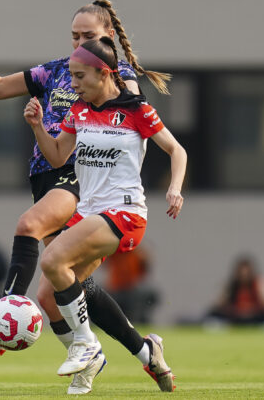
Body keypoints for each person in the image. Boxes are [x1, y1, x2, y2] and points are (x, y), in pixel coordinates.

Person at [0, 0, 171, 393]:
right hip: (46, 173)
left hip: (78, 177)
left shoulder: (115, 76)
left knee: (29, 224)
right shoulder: (57, 70)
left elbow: (131, 111)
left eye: (88, 36)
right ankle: (143, 352)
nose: (79, 43)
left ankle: (1, 319)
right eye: (75, 35)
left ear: (107, 38)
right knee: (61, 292)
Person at [24, 37, 187, 392]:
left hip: (125, 213)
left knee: (52, 260)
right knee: (49, 296)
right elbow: (56, 157)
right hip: (89, 215)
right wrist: (38, 126)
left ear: (103, 73)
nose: (74, 84)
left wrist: (175, 188)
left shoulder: (136, 110)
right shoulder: (78, 111)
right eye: (71, 76)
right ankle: (147, 352)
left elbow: (177, 150)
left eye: (80, 76)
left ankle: (88, 349)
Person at [205, 255, 264, 325]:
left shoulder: (260, 283)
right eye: (241, 273)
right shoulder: (230, 285)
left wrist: (250, 310)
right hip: (235, 316)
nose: (244, 276)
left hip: (254, 316)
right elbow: (219, 303)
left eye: (247, 273)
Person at [104, 241, 159, 324]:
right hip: (115, 289)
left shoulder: (137, 254)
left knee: (134, 313)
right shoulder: (116, 252)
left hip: (131, 289)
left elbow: (145, 267)